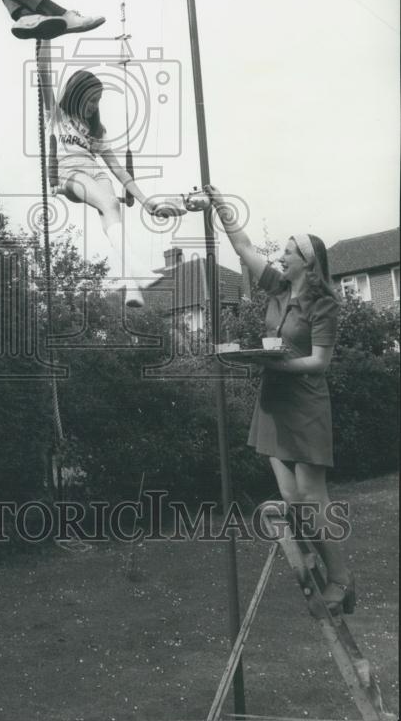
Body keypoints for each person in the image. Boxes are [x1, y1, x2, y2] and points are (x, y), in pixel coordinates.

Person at [206, 184, 354, 614]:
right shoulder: (275, 287)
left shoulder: (322, 303)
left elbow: (320, 362)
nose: (281, 256)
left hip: (305, 403)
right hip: (274, 403)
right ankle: (309, 556)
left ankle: (342, 580)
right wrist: (223, 208)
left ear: (306, 262)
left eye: (289, 251)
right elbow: (246, 246)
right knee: (290, 499)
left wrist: (275, 363)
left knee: (311, 496)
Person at [50, 70, 185, 308]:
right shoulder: (58, 116)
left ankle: (132, 287)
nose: (94, 106)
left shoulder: (96, 131)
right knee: (108, 203)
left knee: (112, 209)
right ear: (77, 95)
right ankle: (139, 272)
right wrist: (44, 38)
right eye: (90, 100)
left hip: (95, 171)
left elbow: (118, 169)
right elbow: (43, 77)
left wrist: (145, 201)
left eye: (97, 101)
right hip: (69, 174)